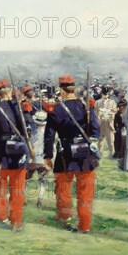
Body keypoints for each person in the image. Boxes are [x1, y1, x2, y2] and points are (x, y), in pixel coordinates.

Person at [44, 75, 100, 233]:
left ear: (62, 90)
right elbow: (96, 130)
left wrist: (47, 156)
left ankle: (65, 217)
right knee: (86, 192)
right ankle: (85, 224)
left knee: (63, 188)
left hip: (65, 154)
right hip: (86, 154)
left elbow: (49, 136)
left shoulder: (57, 109)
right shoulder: (85, 107)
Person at [0, 79, 32, 232]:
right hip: (19, 150)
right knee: (18, 188)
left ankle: (1, 216)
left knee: (0, 187)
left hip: (1, 152)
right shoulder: (20, 107)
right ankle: (16, 222)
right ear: (9, 90)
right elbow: (30, 128)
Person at [26, 110, 49, 209]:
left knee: (26, 179)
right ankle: (40, 199)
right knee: (42, 181)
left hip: (32, 159)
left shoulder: (31, 132)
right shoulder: (49, 133)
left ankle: (22, 198)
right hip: (43, 160)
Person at [94, 87, 117, 158]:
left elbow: (114, 111)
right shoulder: (97, 102)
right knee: (100, 140)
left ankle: (112, 153)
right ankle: (99, 154)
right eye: (104, 94)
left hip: (109, 122)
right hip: (101, 122)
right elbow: (95, 112)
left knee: (110, 140)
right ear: (102, 94)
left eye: (106, 94)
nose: (105, 96)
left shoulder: (112, 102)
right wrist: (99, 116)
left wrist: (108, 113)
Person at [113, 99, 127, 166]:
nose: (121, 108)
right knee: (117, 139)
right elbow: (115, 123)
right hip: (120, 130)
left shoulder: (126, 114)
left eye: (123, 106)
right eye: (120, 107)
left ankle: (122, 154)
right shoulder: (117, 114)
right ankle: (117, 152)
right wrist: (117, 128)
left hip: (125, 130)